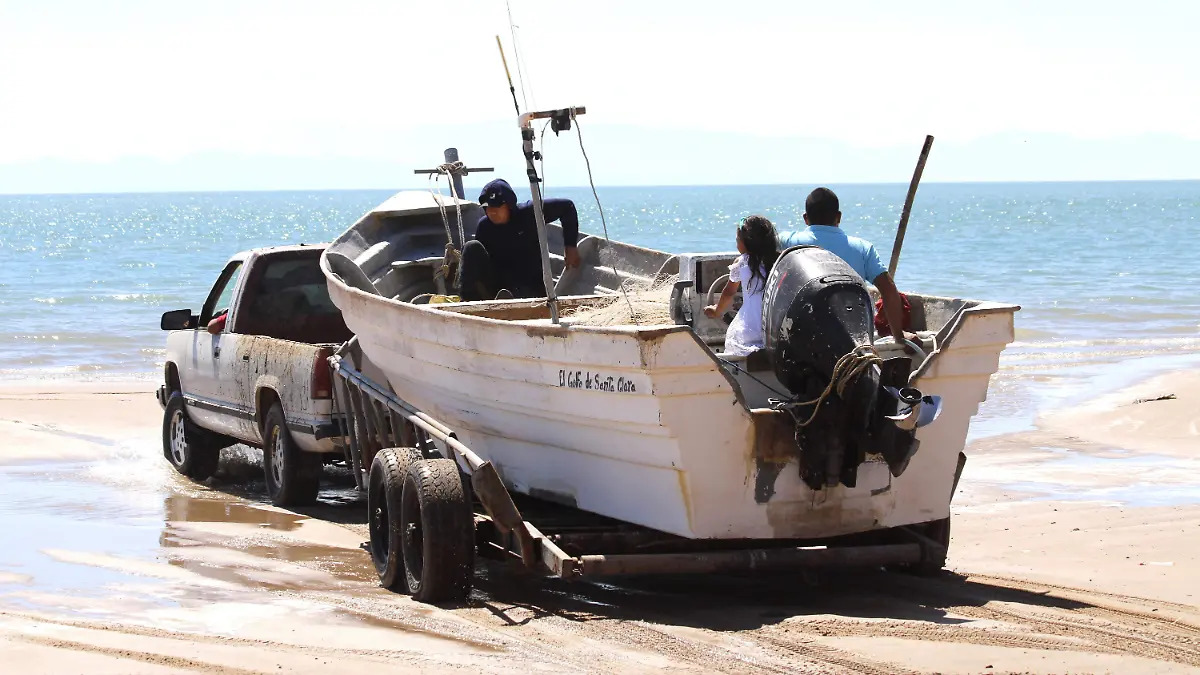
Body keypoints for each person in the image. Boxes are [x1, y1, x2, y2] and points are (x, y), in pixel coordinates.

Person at [778, 187, 916, 350]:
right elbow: (888, 289)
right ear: (839, 217)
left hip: (804, 335)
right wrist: (899, 335)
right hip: (855, 339)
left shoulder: (787, 242)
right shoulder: (863, 248)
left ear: (805, 218)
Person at [458, 178, 582, 302]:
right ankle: (467, 303)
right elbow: (478, 264)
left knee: (522, 289)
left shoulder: (529, 213)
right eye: (487, 207)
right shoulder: (484, 226)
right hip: (497, 283)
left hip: (529, 284)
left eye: (497, 206)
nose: (492, 211)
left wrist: (570, 246)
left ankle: (508, 303)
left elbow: (567, 207)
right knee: (471, 247)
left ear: (509, 204)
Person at [704, 215, 780, 356]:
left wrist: (717, 311)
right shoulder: (779, 261)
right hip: (774, 329)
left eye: (737, 240)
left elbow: (728, 293)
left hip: (749, 330)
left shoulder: (742, 262)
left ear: (746, 243)